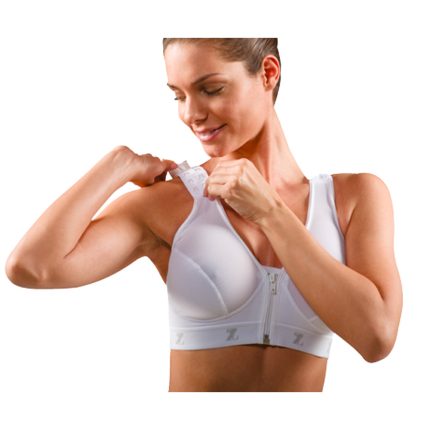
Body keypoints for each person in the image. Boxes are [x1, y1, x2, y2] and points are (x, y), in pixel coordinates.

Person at [5, 38, 403, 392]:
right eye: (178, 96)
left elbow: (377, 338)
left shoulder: (354, 198)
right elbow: (31, 267)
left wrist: (270, 213)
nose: (190, 113)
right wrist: (116, 166)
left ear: (268, 73)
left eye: (210, 89)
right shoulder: (173, 203)